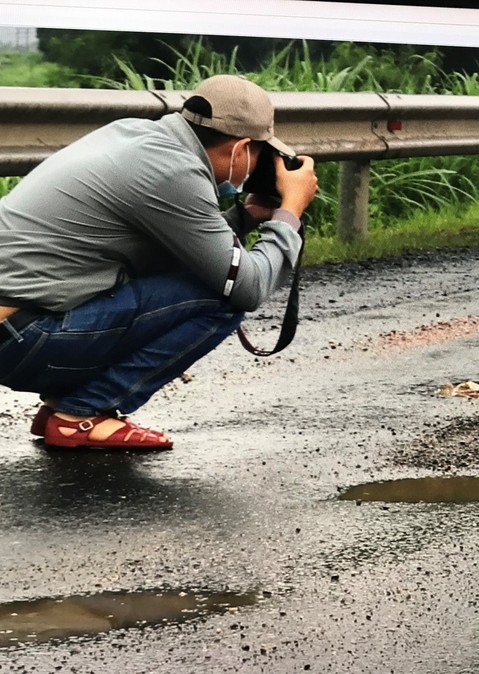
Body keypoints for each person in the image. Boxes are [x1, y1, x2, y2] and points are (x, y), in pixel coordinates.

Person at [0, 74, 318, 450]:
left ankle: (61, 403)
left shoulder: (135, 136)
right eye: (260, 154)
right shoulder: (174, 171)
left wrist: (247, 217)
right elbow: (245, 287)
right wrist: (290, 213)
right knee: (220, 299)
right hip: (23, 341)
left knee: (194, 278)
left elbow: (174, 251)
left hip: (15, 331)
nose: (257, 165)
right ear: (241, 148)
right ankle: (81, 413)